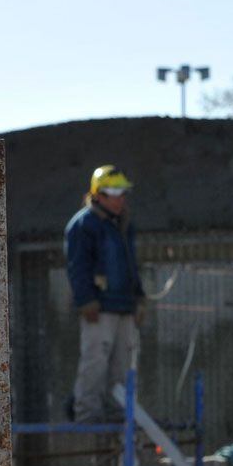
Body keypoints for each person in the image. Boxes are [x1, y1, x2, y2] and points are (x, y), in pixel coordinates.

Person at [65, 165, 145, 423]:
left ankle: (117, 413)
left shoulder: (122, 225)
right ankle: (87, 413)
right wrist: (86, 300)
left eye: (122, 192)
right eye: (114, 192)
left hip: (123, 306)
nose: (120, 198)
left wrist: (139, 298)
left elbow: (131, 264)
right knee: (95, 362)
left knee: (122, 366)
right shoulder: (84, 225)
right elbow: (78, 266)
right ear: (98, 194)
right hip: (99, 308)